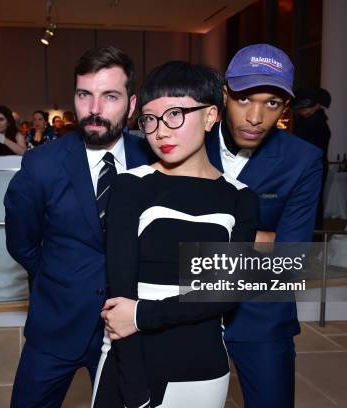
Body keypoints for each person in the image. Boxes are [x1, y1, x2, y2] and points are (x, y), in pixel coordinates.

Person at [101, 44, 323, 408]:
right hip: (166, 325)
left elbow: (293, 257)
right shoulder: (176, 132)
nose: (255, 116)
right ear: (220, 99)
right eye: (244, 98)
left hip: (260, 317)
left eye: (272, 103)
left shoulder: (303, 160)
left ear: (285, 109)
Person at [92, 61, 259, 408]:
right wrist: (135, 391)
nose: (160, 132)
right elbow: (120, 295)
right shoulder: (131, 186)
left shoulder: (241, 197)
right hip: (132, 364)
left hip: (204, 367)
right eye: (150, 119)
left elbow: (228, 294)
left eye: (175, 115)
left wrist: (141, 315)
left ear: (211, 116)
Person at [4, 46, 155, 408]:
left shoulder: (152, 160)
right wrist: (61, 277)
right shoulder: (41, 165)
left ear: (131, 105)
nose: (95, 109)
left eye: (110, 96)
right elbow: (21, 243)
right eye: (85, 95)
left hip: (129, 327)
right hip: (56, 322)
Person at [293, 87, 332, 229]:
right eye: (300, 108)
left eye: (304, 108)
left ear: (317, 106)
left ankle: (314, 240)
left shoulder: (318, 124)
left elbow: (310, 151)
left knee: (313, 203)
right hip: (307, 168)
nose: (302, 111)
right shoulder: (307, 122)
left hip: (313, 169)